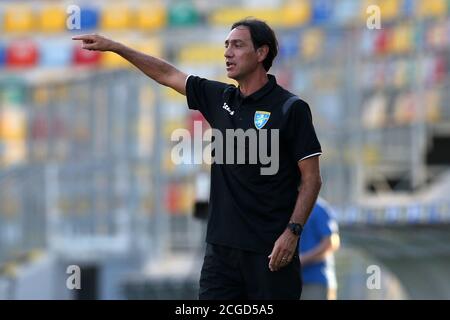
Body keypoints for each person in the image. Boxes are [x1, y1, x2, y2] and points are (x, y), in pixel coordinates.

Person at [72, 18, 322, 300]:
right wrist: (117, 48)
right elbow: (167, 74)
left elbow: (312, 179)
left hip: (270, 252)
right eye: (226, 45)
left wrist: (292, 232)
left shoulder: (291, 108)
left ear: (262, 53)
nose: (228, 52)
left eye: (237, 45)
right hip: (221, 253)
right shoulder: (219, 97)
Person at [299, 197, 340, 300]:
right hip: (292, 281)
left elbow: (331, 242)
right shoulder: (287, 206)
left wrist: (302, 259)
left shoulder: (318, 208)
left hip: (315, 281)